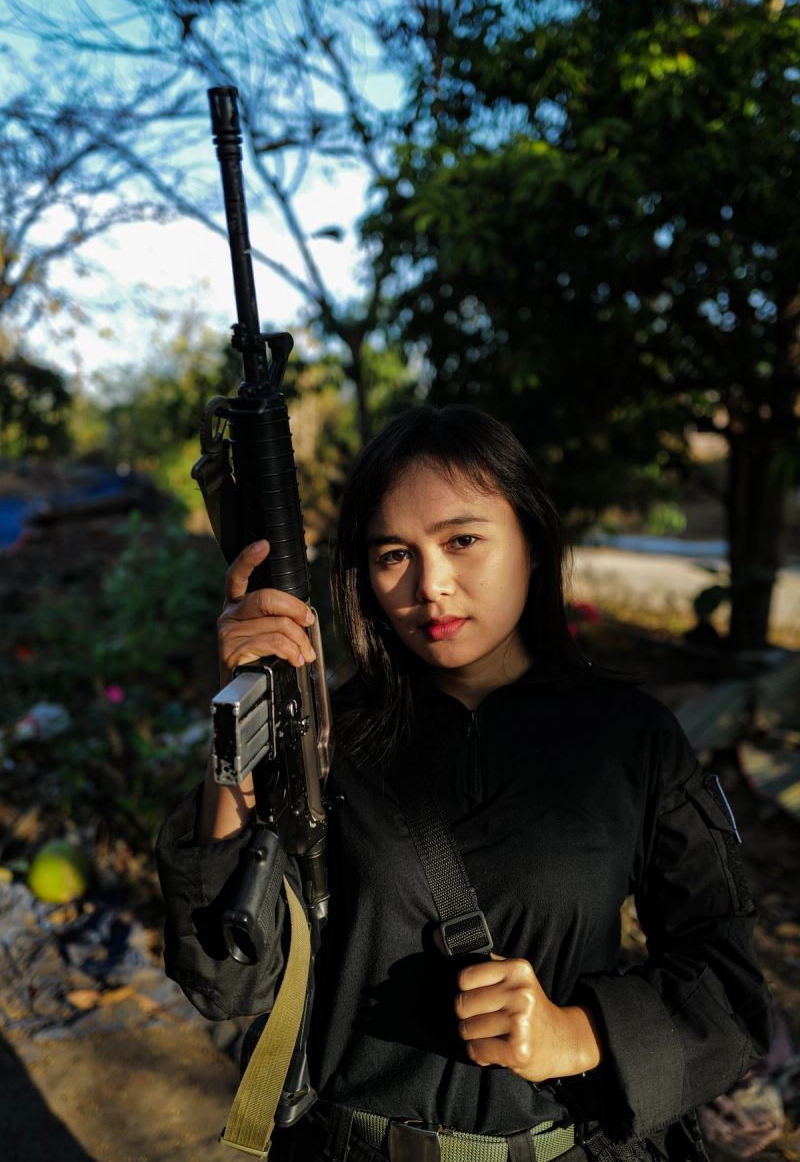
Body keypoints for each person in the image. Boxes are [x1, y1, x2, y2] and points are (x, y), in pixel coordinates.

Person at [156, 404, 771, 1162]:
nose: (431, 584)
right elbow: (226, 984)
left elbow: (731, 990)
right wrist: (239, 740)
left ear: (534, 544)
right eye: (393, 555)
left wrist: (577, 1034)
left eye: (463, 540)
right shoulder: (321, 736)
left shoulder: (628, 736)